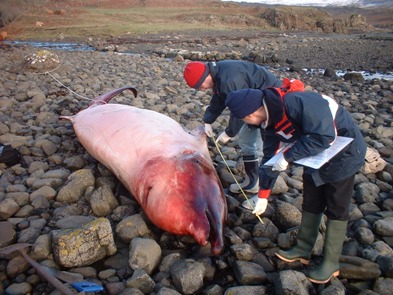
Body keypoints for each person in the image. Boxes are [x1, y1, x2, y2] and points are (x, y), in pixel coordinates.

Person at [224, 85, 366, 284]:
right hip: (315, 156)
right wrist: (263, 195)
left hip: (345, 153)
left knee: (336, 206)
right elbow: (270, 158)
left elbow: (324, 137)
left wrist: (289, 156)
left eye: (244, 119)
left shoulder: (297, 103)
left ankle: (330, 263)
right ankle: (303, 248)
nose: (246, 124)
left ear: (251, 113)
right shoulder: (269, 122)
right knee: (311, 200)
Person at [183, 60, 282, 199]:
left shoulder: (230, 80)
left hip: (270, 104)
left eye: (200, 86)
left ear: (206, 76)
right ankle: (252, 182)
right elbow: (219, 99)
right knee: (246, 140)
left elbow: (240, 109)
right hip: (254, 102)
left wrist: (229, 132)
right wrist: (208, 120)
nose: (202, 89)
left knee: (266, 147)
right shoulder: (218, 76)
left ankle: (262, 193)